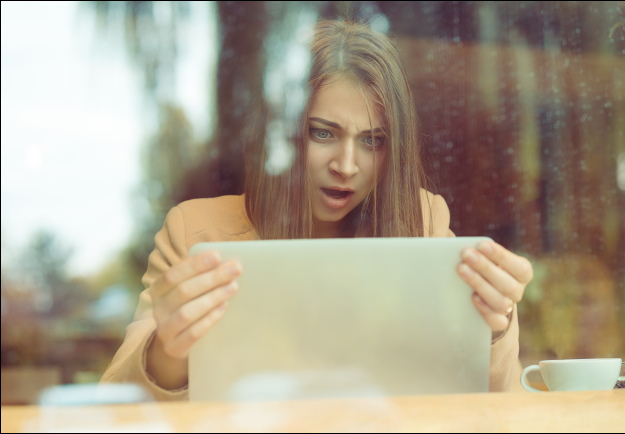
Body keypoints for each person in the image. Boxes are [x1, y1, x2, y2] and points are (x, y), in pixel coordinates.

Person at [100, 19, 533, 401]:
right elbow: (115, 403)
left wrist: (494, 327)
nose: (346, 166)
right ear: (283, 134)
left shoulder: (424, 220)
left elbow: (491, 400)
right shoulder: (197, 232)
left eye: (372, 141)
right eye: (323, 134)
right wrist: (166, 353)